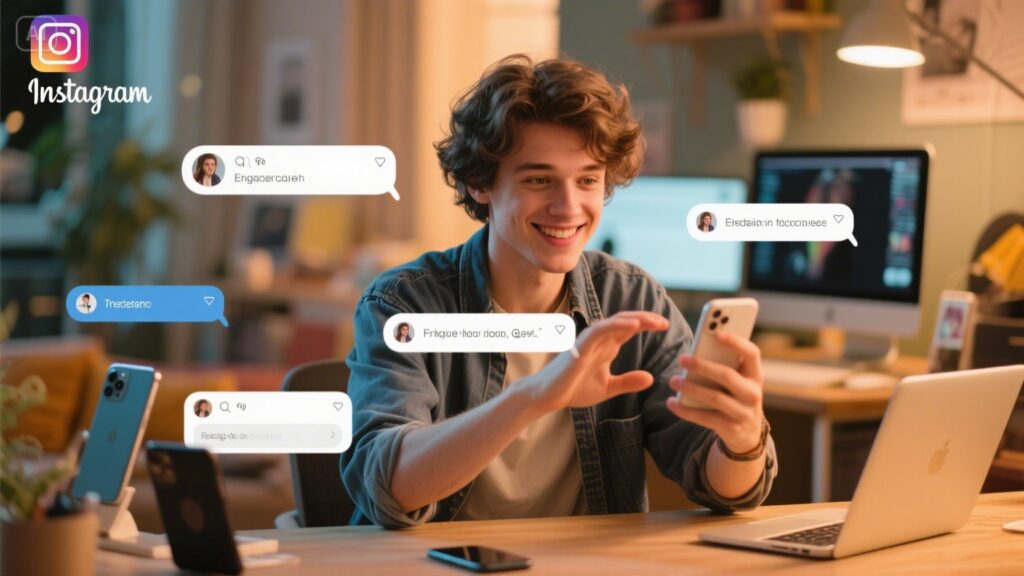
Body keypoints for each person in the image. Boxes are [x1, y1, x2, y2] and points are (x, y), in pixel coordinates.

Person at [341, 55, 776, 529]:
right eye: (539, 180)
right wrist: (532, 396)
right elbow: (388, 488)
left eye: (588, 179)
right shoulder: (404, 304)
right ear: (479, 183)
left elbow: (719, 486)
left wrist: (742, 441)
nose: (568, 207)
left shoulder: (632, 301)